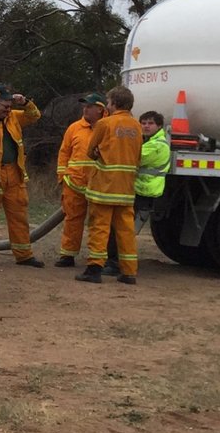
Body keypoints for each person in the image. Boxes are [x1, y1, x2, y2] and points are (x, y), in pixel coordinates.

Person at [76, 86, 141, 285]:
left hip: (104, 188)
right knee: (126, 231)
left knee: (99, 229)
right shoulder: (137, 126)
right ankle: (129, 272)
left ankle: (94, 269)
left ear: (113, 103)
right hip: (126, 188)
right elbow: (138, 155)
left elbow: (90, 151)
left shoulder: (105, 124)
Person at [0, 84, 44, 267]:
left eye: (10, 107)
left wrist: (24, 102)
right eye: (5, 107)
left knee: (19, 215)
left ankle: (24, 254)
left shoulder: (14, 118)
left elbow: (34, 116)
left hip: (14, 174)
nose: (8, 110)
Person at [104, 110, 171, 276]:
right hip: (136, 192)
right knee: (122, 229)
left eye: (151, 123)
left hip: (143, 194)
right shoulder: (146, 141)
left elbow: (132, 156)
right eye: (144, 123)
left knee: (124, 230)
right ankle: (116, 263)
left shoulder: (158, 145)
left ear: (159, 126)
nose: (146, 126)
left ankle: (117, 265)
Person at [54, 93, 106, 267]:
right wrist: (62, 175)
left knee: (98, 222)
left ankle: (96, 258)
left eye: (89, 107)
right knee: (72, 219)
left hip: (98, 183)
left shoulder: (107, 127)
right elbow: (64, 152)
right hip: (73, 182)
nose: (85, 110)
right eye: (84, 107)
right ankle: (67, 255)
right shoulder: (74, 128)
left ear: (100, 109)